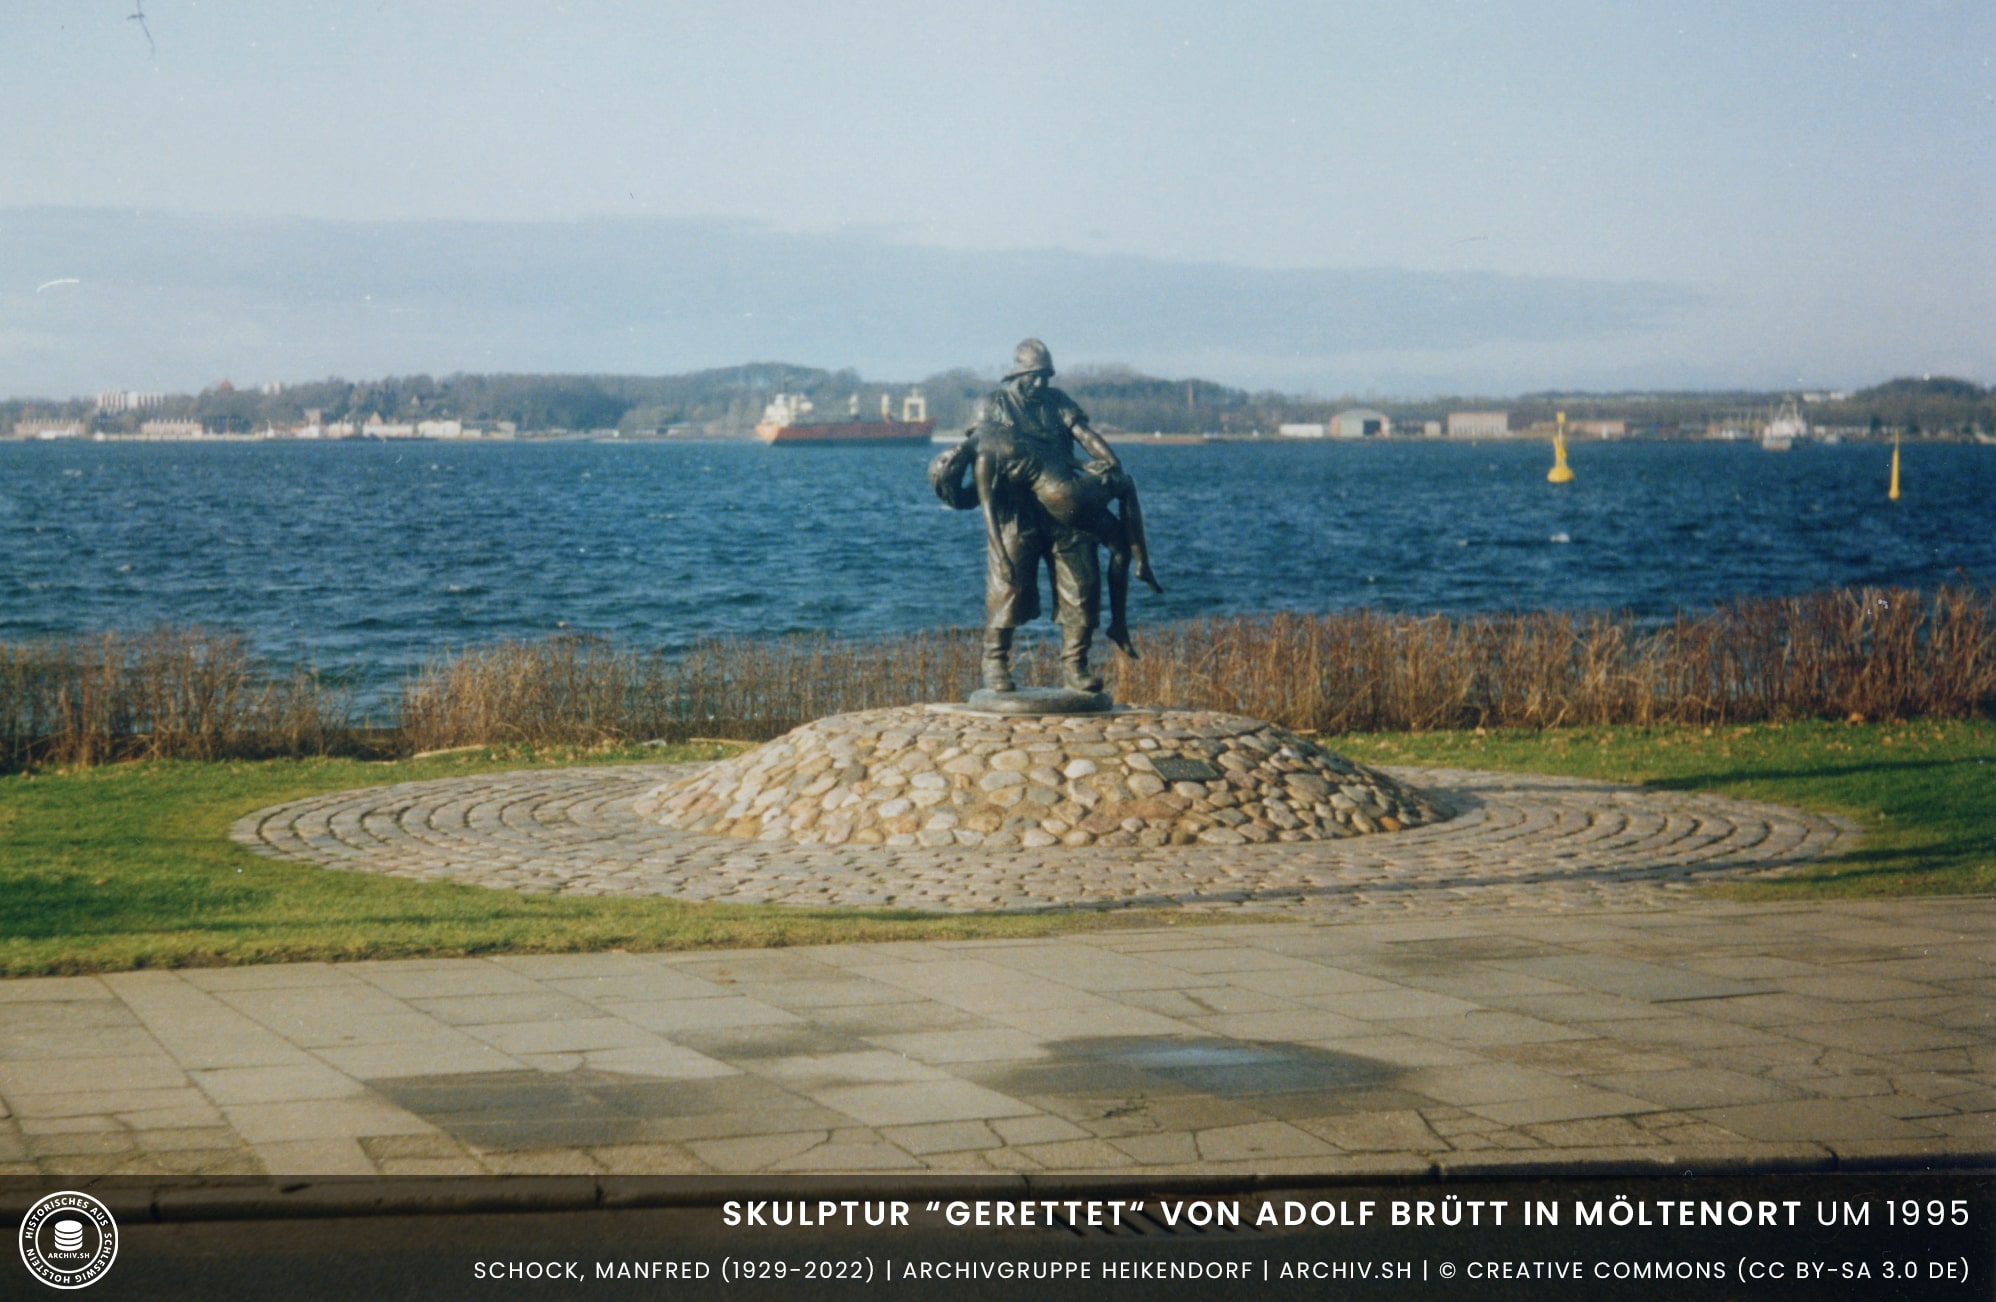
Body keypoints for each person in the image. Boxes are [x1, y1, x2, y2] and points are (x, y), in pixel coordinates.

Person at [930, 338, 1160, 694]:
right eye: (1034, 376)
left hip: (1064, 505)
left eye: (1045, 376)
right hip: (1016, 510)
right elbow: (981, 456)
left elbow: (1086, 434)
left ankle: (1075, 664)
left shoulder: (1057, 402)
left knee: (1081, 587)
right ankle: (995, 661)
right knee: (1008, 588)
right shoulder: (994, 404)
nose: (1040, 384)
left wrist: (1111, 463)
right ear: (1018, 375)